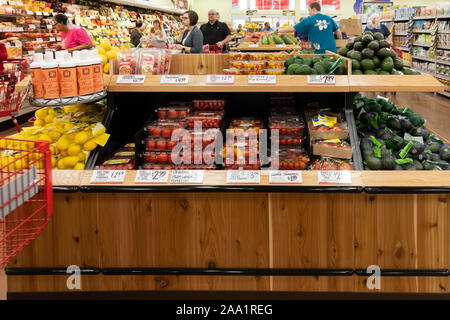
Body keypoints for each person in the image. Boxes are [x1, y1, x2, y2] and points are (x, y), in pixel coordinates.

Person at [276, 2, 342, 53]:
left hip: (318, 52)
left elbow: (291, 29)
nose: (309, 13)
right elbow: (338, 32)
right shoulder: (329, 19)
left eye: (309, 10)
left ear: (313, 9)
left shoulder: (308, 20)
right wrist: (340, 45)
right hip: (332, 51)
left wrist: (277, 30)